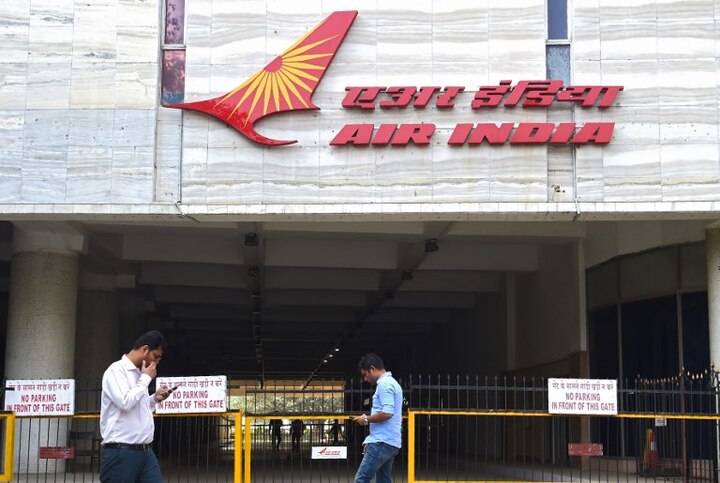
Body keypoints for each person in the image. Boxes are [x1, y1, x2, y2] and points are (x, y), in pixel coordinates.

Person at [99, 330, 172, 483]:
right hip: (121, 452)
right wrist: (145, 379)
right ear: (144, 349)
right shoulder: (116, 371)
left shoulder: (139, 374)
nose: (157, 362)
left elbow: (138, 407)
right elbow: (125, 402)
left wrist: (154, 399)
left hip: (146, 452)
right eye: (156, 356)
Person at [351, 353, 403, 483]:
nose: (365, 379)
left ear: (372, 369)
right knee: (383, 480)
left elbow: (387, 413)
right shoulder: (392, 383)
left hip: (382, 441)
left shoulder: (384, 385)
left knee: (361, 479)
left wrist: (366, 419)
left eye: (365, 374)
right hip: (390, 442)